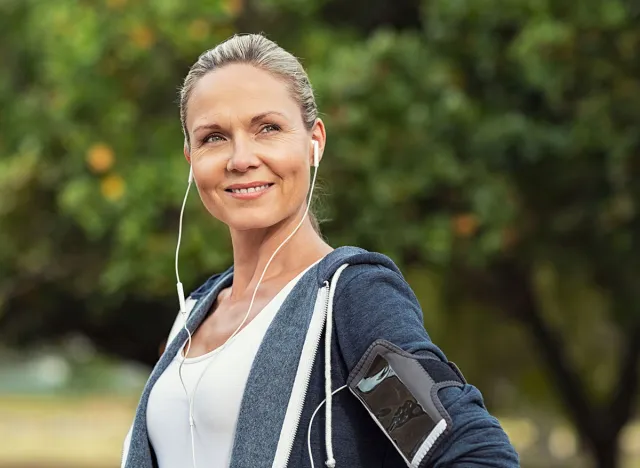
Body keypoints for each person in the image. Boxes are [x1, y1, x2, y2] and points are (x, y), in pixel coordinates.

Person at [121, 33, 519, 468]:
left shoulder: (348, 301)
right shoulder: (195, 311)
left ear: (315, 141)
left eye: (267, 128)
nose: (240, 158)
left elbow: (474, 453)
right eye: (214, 137)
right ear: (190, 157)